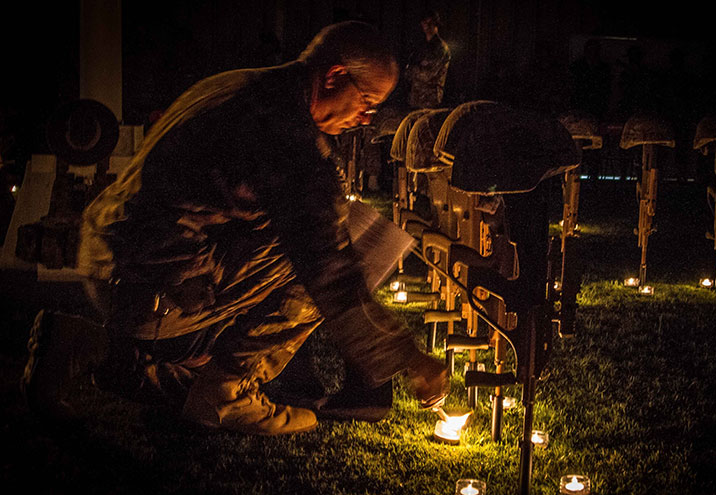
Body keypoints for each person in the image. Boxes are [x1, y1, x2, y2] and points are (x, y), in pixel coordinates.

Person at [23, 21, 449, 436]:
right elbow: (329, 272)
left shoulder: (238, 85)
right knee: (346, 241)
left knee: (326, 230)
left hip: (113, 263)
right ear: (335, 76)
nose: (365, 118)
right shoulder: (286, 136)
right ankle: (229, 391)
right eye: (367, 102)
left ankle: (80, 343)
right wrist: (408, 356)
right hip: (161, 292)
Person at [404, 11, 451, 109]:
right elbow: (408, 73)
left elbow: (428, 75)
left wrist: (412, 70)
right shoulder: (421, 47)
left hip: (430, 102)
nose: (427, 25)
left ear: (436, 24)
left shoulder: (441, 48)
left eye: (430, 22)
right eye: (424, 22)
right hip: (415, 100)